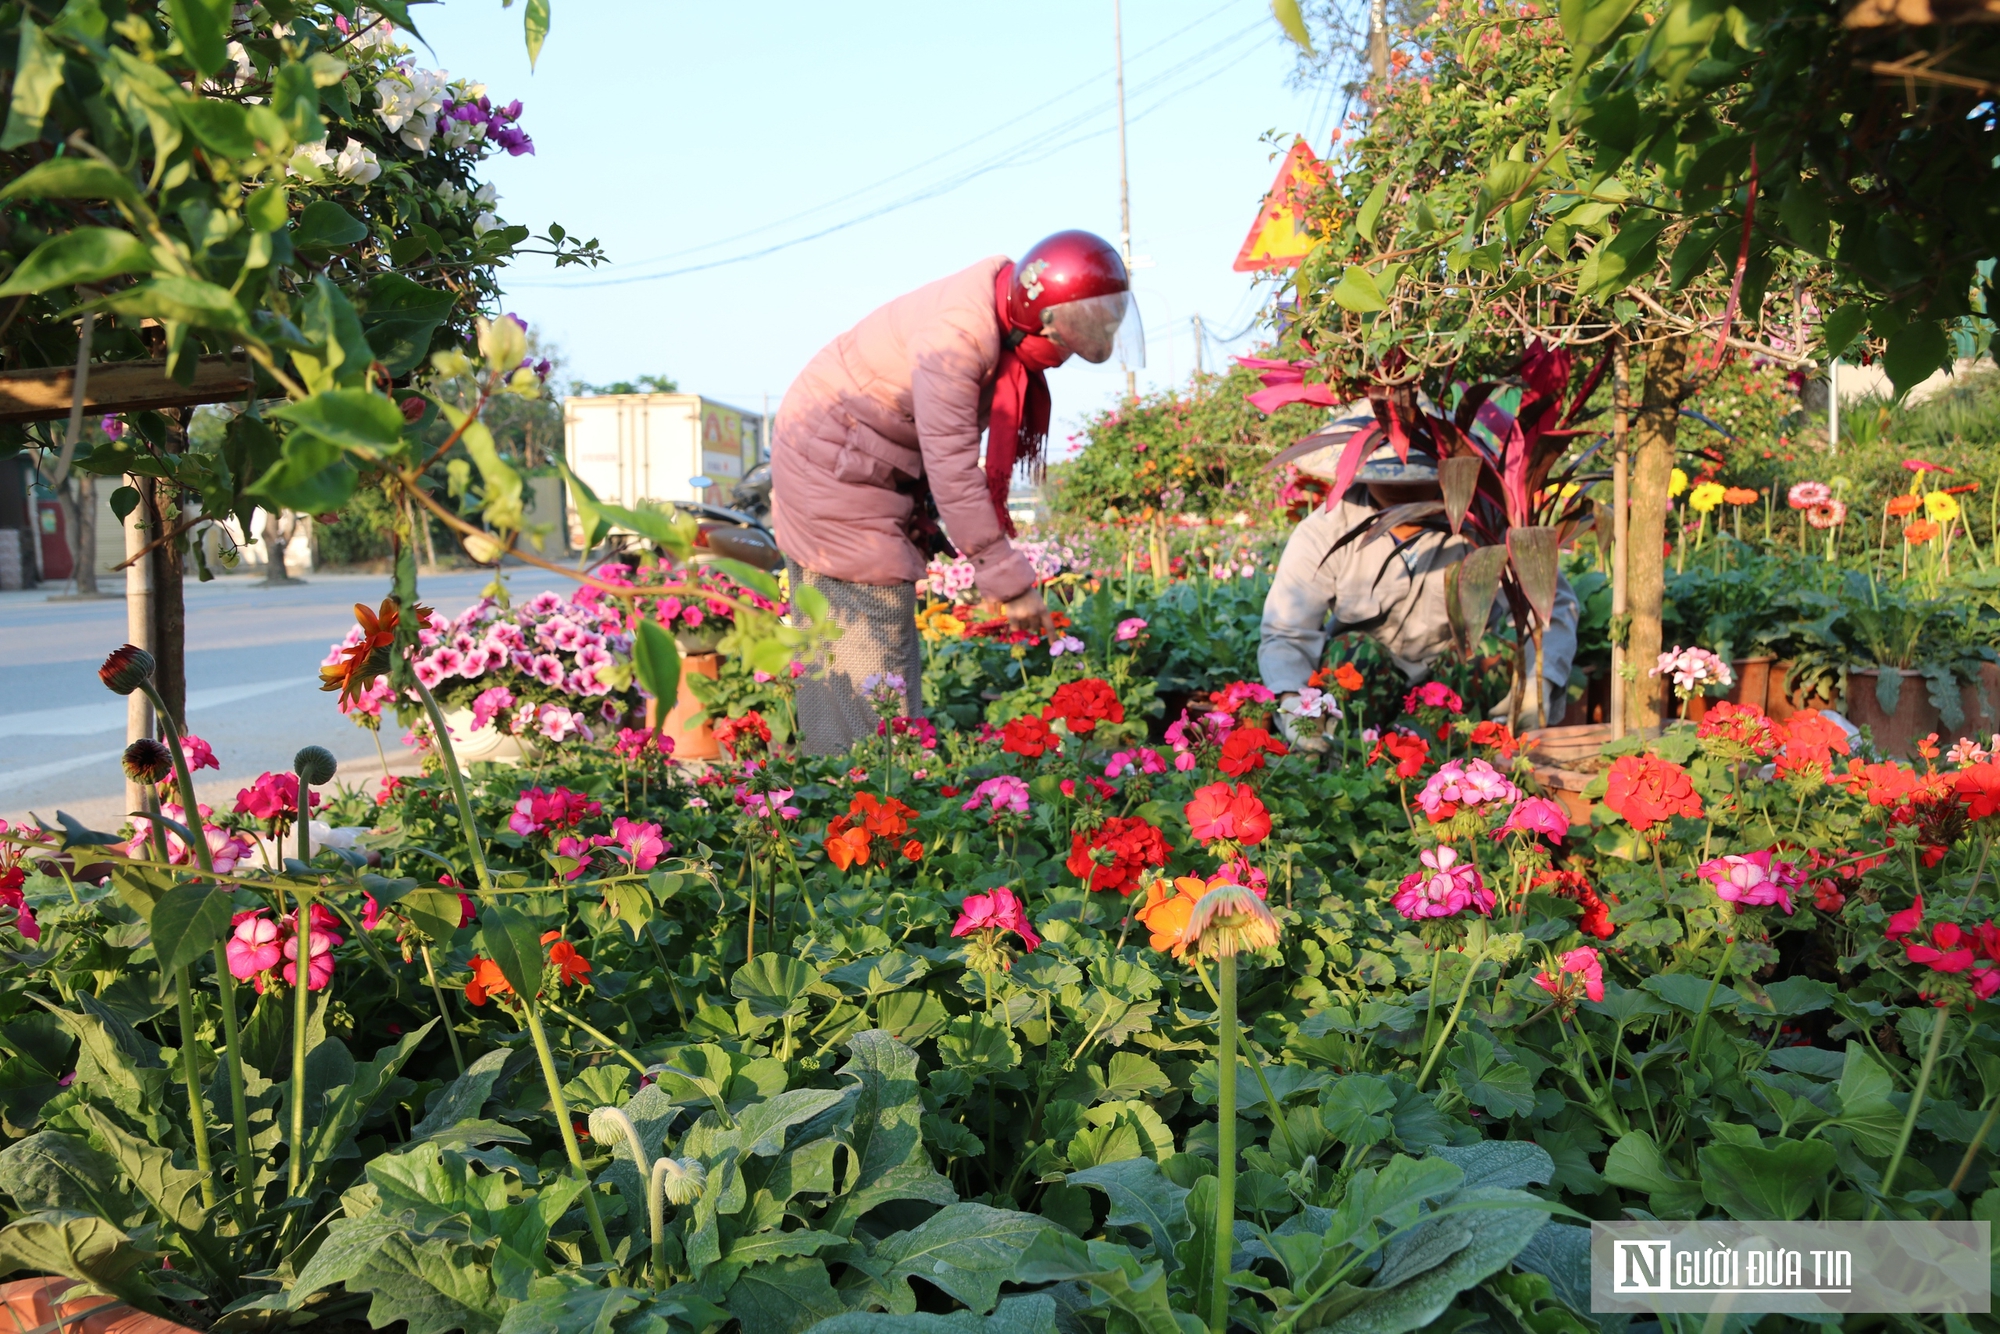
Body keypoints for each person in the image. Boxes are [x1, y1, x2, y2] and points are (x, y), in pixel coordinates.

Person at [771, 231, 1134, 755]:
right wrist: (1009, 582)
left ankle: (851, 788)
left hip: (847, 459)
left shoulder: (998, 307)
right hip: (832, 467)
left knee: (849, 655)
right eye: (1067, 343)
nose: (1065, 357)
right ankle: (861, 800)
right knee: (868, 652)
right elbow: (953, 469)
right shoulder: (958, 339)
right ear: (1038, 317)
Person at [1259, 402, 1579, 748]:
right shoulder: (1325, 529)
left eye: (1417, 476)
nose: (1402, 488)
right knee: (1350, 652)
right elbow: (1287, 632)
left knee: (1491, 652)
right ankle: (1348, 759)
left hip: (1454, 684)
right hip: (1366, 688)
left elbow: (1553, 605)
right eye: (1390, 477)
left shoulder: (1490, 520)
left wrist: (1539, 684)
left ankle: (1470, 763)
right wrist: (1293, 704)